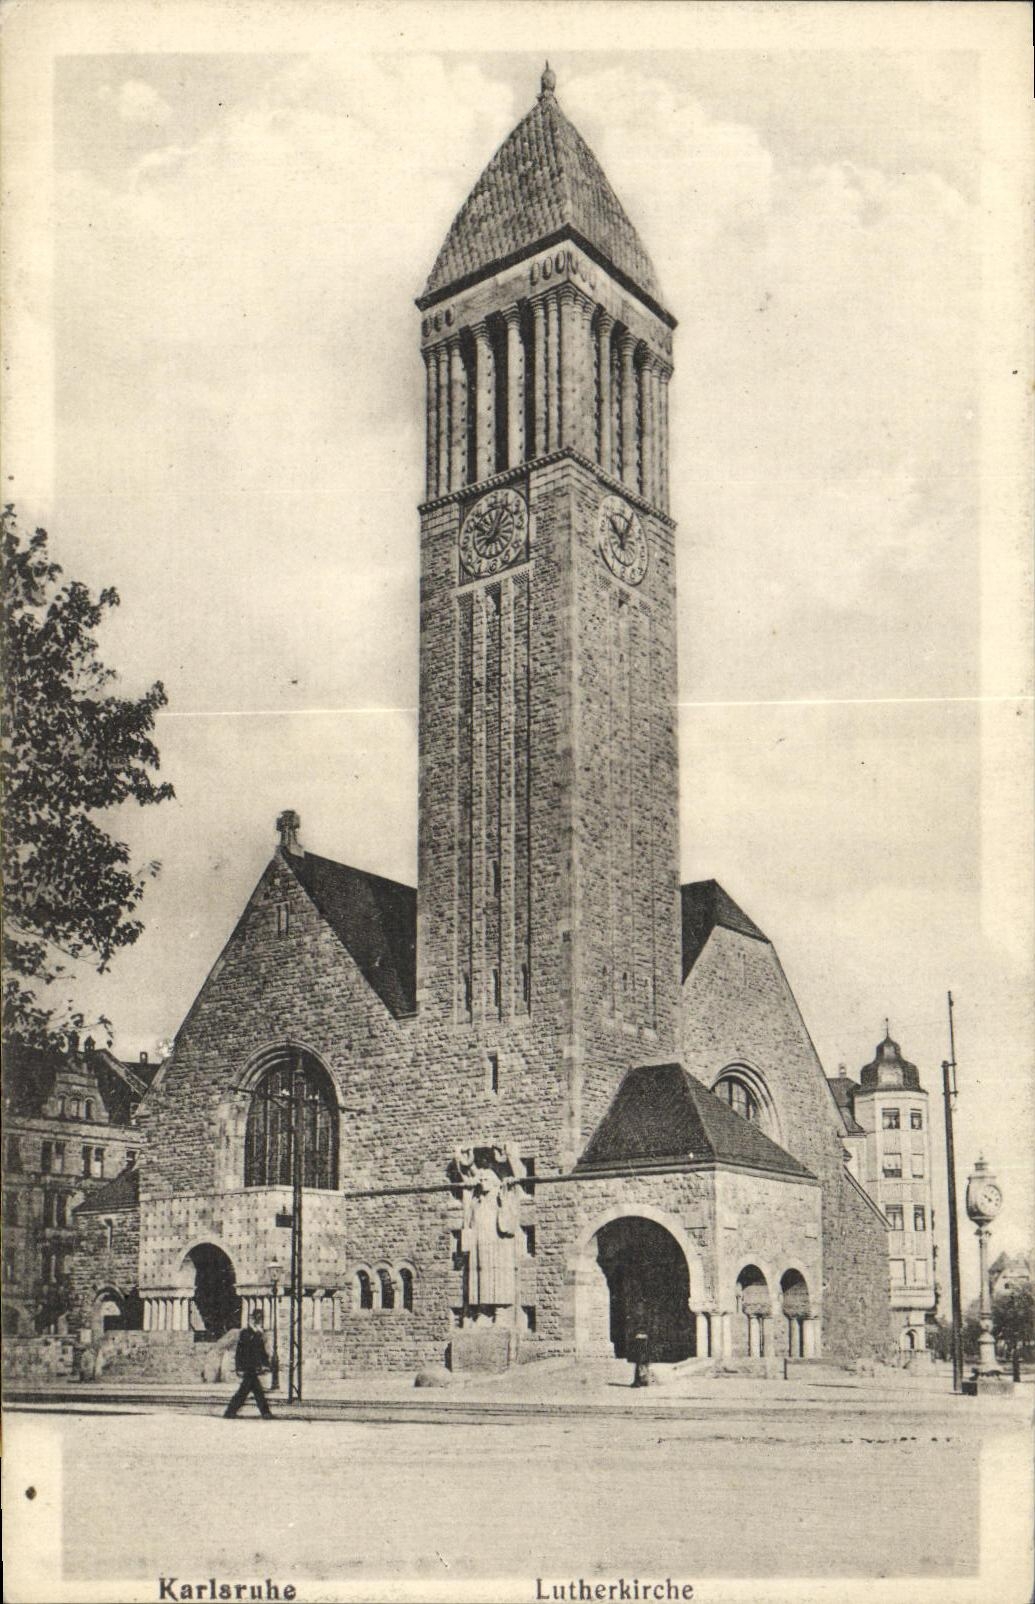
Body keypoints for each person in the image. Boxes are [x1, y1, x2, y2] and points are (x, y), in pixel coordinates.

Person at [223, 1312, 274, 1419]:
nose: (260, 1322)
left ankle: (230, 1411)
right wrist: (239, 1367)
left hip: (253, 1367)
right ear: (253, 1321)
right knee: (252, 1391)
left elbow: (261, 1351)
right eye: (259, 1319)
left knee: (250, 1391)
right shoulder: (246, 1333)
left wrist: (265, 1364)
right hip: (248, 1367)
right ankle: (265, 1413)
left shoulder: (257, 1334)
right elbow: (241, 1352)